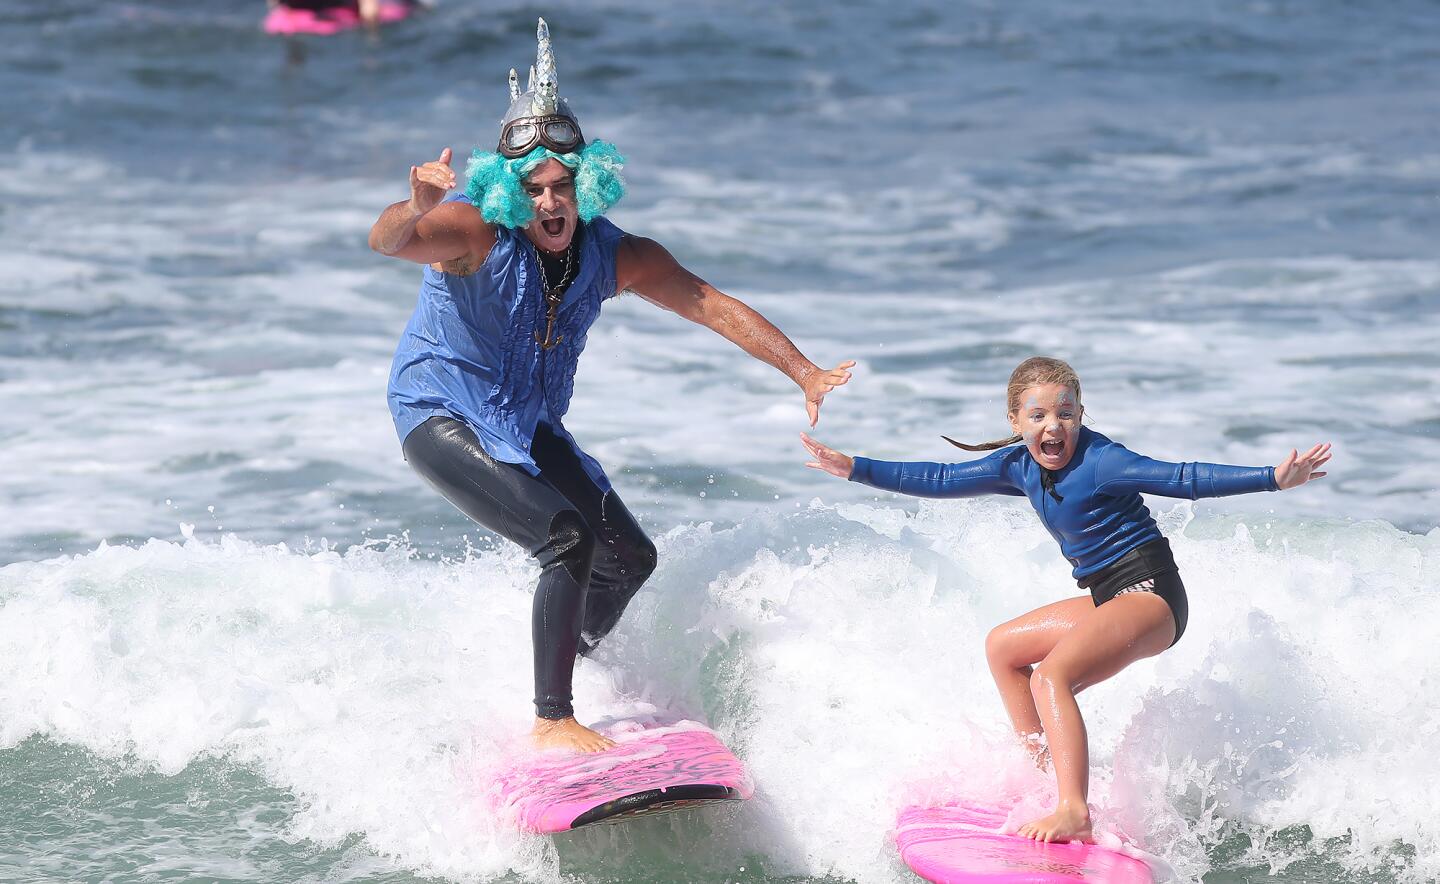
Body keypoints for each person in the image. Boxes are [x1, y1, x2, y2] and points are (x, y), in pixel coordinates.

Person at [369, 19, 854, 754]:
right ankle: (550, 718)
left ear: (586, 184)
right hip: (440, 412)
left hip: (524, 422)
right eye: (534, 190)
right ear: (509, 192)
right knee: (566, 539)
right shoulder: (471, 233)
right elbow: (391, 242)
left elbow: (708, 303)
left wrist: (804, 371)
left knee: (628, 557)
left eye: (564, 187)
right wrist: (414, 205)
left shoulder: (615, 254)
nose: (551, 203)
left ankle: (564, 670)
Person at [799, 356, 1329, 843]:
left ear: (1080, 416)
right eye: (1038, 415)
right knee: (1004, 647)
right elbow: (941, 477)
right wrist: (855, 467)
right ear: (1016, 421)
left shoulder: (1103, 461)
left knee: (1051, 675)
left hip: (1152, 594)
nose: (1053, 426)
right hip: (1108, 597)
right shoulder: (1019, 466)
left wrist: (1273, 479)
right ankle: (1044, 779)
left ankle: (1074, 809)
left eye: (1066, 414)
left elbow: (1183, 477)